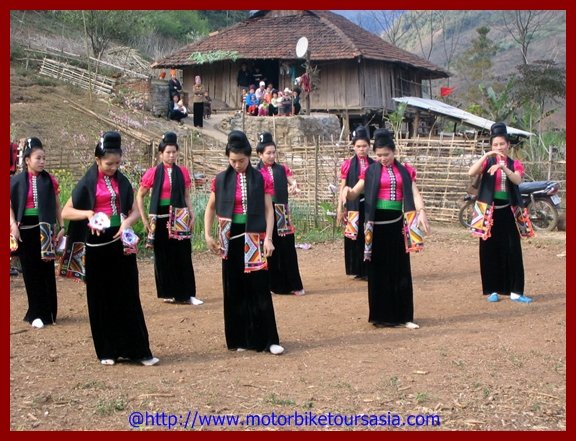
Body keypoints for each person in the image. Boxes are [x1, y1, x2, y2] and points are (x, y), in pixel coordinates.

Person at [61, 131, 159, 366]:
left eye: (117, 163)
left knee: (127, 295)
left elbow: (135, 210)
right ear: (97, 160)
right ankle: (107, 350)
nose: (113, 167)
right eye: (108, 163)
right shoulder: (86, 183)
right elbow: (66, 212)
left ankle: (138, 351)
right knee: (100, 297)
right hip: (96, 245)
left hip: (120, 243)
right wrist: (88, 213)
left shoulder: (122, 181)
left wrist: (126, 222)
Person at [204, 130, 284, 355]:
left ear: (250, 157)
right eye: (233, 161)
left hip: (255, 237)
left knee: (259, 287)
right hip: (229, 239)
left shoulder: (261, 178)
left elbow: (269, 210)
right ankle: (240, 338)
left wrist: (269, 238)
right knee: (235, 288)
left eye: (241, 160)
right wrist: (208, 235)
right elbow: (210, 208)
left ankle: (268, 340)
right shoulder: (220, 180)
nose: (237, 165)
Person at [341, 128, 430, 329]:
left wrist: (421, 211)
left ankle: (404, 316)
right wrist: (346, 192)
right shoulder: (370, 171)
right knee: (378, 272)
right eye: (378, 155)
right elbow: (355, 193)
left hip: (397, 226)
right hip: (375, 229)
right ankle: (381, 316)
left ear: (394, 152)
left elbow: (414, 194)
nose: (382, 159)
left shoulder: (405, 170)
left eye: (386, 155)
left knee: (400, 270)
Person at [467, 122, 534, 303]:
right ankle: (492, 290)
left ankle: (516, 291)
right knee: (489, 250)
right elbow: (471, 172)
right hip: (488, 212)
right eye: (495, 145)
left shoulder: (514, 163)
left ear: (508, 145)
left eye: (501, 144)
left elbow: (517, 180)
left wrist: (503, 167)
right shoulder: (487, 161)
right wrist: (487, 156)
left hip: (509, 212)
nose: (498, 148)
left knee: (513, 250)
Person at [136, 132, 203, 306]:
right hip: (159, 217)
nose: (171, 155)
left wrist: (192, 213)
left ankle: (187, 294)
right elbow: (140, 196)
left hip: (180, 217)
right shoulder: (153, 173)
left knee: (182, 254)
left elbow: (186, 196)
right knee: (163, 256)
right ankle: (168, 292)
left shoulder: (183, 172)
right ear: (161, 154)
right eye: (167, 152)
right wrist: (144, 219)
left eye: (174, 152)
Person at [10, 137, 63, 328]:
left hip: (45, 230)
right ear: (26, 160)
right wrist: (13, 225)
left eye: (44, 158)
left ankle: (49, 311)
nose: (42, 161)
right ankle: (35, 313)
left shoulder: (50, 180)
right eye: (38, 158)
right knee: (30, 272)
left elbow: (57, 205)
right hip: (25, 230)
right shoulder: (16, 181)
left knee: (46, 270)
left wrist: (62, 226)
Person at [256, 132, 305, 296]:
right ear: (259, 154)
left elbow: (293, 182)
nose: (271, 156)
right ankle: (271, 285)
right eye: (268, 153)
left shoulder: (282, 169)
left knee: (287, 249)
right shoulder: (255, 173)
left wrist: (294, 187)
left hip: (281, 212)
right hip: (264, 213)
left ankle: (293, 285)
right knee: (268, 250)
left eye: (273, 152)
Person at [337, 126, 374, 280]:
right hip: (353, 204)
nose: (361, 149)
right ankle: (357, 269)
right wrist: (340, 207)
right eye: (358, 146)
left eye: (364, 146)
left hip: (370, 204)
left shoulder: (374, 164)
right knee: (355, 236)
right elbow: (343, 187)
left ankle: (368, 269)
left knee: (369, 234)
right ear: (353, 147)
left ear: (369, 146)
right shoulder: (348, 164)